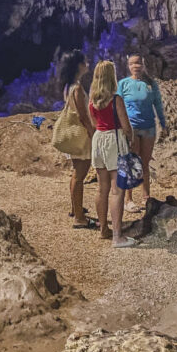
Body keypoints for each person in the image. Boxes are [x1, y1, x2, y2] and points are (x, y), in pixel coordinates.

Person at [88, 60, 137, 248]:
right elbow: (125, 125)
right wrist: (130, 140)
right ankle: (117, 236)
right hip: (114, 140)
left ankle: (103, 230)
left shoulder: (92, 100)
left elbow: (94, 123)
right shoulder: (115, 99)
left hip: (99, 139)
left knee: (102, 188)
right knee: (117, 190)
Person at [117, 54, 167, 213]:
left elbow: (157, 104)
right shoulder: (123, 84)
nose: (135, 66)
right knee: (131, 163)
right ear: (128, 66)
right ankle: (128, 200)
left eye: (138, 62)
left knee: (145, 163)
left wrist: (163, 123)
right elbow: (117, 106)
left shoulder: (151, 84)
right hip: (131, 128)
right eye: (132, 63)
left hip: (148, 127)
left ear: (143, 64)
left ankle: (146, 198)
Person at [57, 50, 95, 228]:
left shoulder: (68, 86)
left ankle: (75, 208)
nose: (88, 64)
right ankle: (79, 218)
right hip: (81, 136)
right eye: (85, 62)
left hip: (74, 135)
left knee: (75, 173)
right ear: (79, 65)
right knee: (80, 175)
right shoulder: (77, 88)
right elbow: (82, 115)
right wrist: (93, 132)